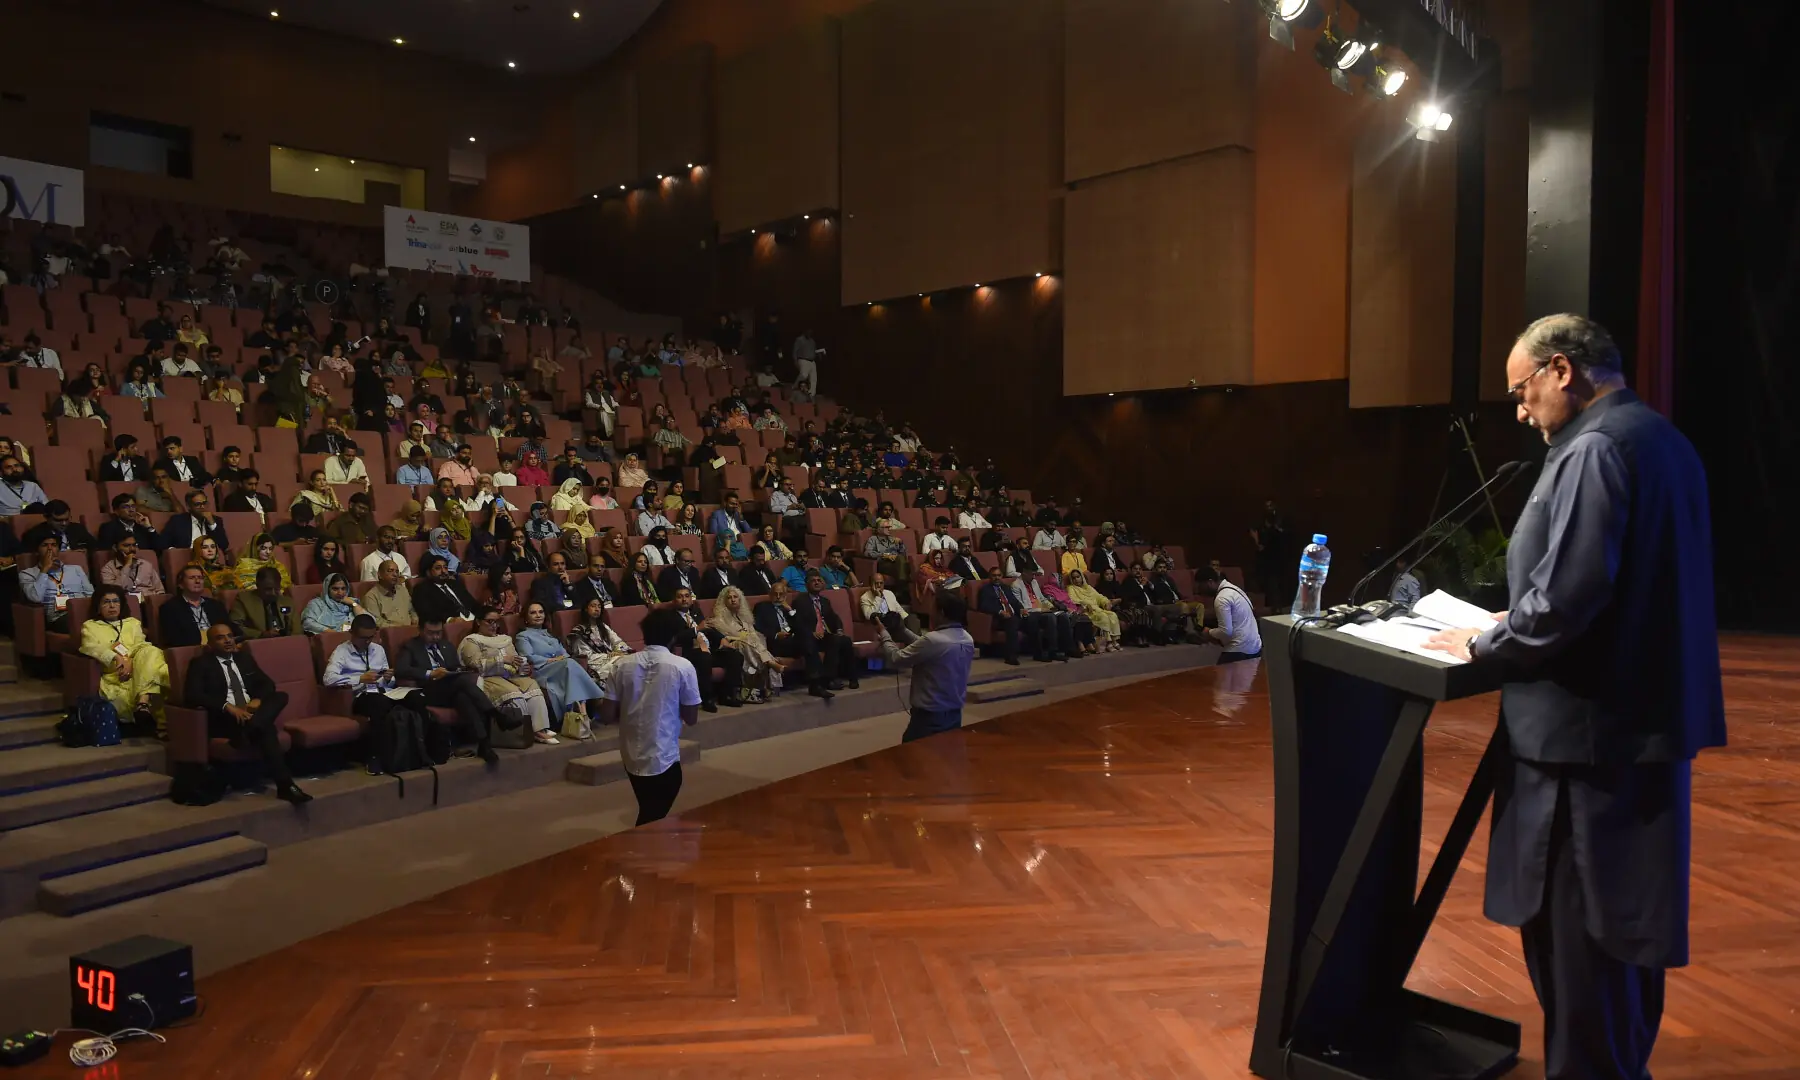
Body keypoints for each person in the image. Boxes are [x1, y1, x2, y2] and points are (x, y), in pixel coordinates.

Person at [1423, 314, 1726, 1080]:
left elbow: (1567, 603)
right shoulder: (1662, 441)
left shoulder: (1591, 450)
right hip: (1636, 732)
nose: (1521, 412)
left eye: (1522, 392)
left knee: (1580, 949)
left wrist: (1485, 641)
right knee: (1624, 941)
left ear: (1562, 371)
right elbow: (1619, 586)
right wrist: (1513, 611)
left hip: (1582, 749)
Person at [187, 624, 311, 804]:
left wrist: (258, 700)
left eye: (230, 636)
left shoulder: (244, 658)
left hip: (251, 713)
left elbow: (267, 684)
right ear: (210, 644)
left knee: (280, 696)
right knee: (267, 730)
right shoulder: (201, 664)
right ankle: (285, 785)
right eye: (221, 638)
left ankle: (250, 730)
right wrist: (228, 706)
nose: (228, 640)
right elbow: (192, 695)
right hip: (226, 718)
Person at [603, 607, 701, 825]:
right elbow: (692, 717)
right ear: (673, 637)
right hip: (662, 752)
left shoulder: (621, 665)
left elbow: (607, 714)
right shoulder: (682, 666)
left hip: (630, 752)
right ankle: (643, 851)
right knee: (652, 815)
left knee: (648, 806)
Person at [395, 615, 504, 765]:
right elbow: (401, 669)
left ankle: (484, 744)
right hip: (427, 691)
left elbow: (455, 667)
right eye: (430, 633)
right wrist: (430, 673)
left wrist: (457, 671)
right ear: (420, 630)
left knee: (463, 697)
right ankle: (493, 713)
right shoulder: (410, 646)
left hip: (451, 689)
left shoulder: (446, 646)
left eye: (438, 632)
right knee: (461, 684)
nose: (435, 637)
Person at [878, 590, 976, 742]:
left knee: (914, 757)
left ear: (942, 613)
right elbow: (927, 646)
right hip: (954, 713)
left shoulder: (934, 640)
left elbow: (896, 658)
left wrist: (883, 634)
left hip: (929, 717)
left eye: (932, 608)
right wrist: (902, 631)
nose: (930, 613)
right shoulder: (967, 638)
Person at [460, 607, 558, 745]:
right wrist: (502, 660)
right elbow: (474, 665)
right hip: (488, 677)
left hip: (510, 676)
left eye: (497, 622)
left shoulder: (505, 639)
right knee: (514, 694)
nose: (494, 625)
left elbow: (515, 659)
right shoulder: (472, 641)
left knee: (532, 687)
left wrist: (520, 667)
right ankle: (522, 732)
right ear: (478, 622)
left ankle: (539, 729)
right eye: (489, 621)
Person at [79, 585, 170, 731]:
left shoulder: (132, 623)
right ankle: (151, 714)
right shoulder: (90, 626)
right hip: (115, 674)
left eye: (116, 601)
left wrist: (129, 661)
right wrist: (116, 657)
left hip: (140, 667)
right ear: (98, 606)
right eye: (106, 602)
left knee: (150, 650)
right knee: (156, 679)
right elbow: (90, 647)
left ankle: (143, 701)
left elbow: (140, 645)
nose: (112, 605)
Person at [516, 602, 605, 735]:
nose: (538, 615)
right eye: (533, 612)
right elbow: (529, 657)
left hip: (562, 669)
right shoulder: (523, 636)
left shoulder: (550, 635)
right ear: (526, 617)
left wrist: (560, 659)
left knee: (570, 663)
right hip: (542, 671)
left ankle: (582, 710)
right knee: (569, 664)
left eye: (541, 612)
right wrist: (551, 660)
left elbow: (564, 654)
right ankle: (588, 708)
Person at [792, 570, 859, 698]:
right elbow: (797, 622)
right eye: (813, 581)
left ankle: (850, 677)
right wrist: (811, 632)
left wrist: (839, 629)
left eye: (819, 580)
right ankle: (823, 681)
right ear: (806, 585)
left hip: (824, 635)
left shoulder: (824, 601)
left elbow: (834, 618)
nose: (817, 583)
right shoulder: (800, 601)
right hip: (809, 636)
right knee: (812, 641)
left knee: (843, 640)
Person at [711, 585, 778, 703]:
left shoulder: (745, 619)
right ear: (724, 601)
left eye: (735, 597)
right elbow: (723, 638)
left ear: (740, 599)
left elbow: (753, 635)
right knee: (747, 643)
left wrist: (749, 638)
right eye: (729, 597)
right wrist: (744, 638)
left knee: (759, 638)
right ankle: (770, 662)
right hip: (732, 647)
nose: (733, 599)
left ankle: (756, 687)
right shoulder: (718, 620)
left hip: (751, 648)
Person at [18, 536, 92, 630]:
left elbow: (90, 594)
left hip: (82, 612)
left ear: (58, 549)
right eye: (44, 545)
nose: (50, 548)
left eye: (54, 545)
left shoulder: (76, 569)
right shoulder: (27, 574)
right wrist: (44, 570)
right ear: (37, 551)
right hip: (58, 617)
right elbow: (36, 598)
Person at [975, 565, 1040, 666]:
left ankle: (1037, 653)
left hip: (1013, 615)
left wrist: (1021, 609)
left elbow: (1014, 601)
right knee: (1012, 621)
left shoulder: (1005, 587)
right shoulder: (985, 589)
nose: (997, 578)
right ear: (990, 577)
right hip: (998, 618)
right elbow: (984, 605)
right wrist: (1000, 612)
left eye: (999, 575)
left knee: (1032, 620)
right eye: (994, 575)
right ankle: (1011, 656)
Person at [158, 565, 233, 646]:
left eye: (200, 578)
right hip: (192, 650)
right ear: (181, 585)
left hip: (222, 646)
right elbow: (174, 639)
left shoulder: (216, 605)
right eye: (192, 578)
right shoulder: (169, 608)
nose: (197, 581)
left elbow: (230, 629)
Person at [1200, 566, 1261, 662]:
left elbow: (1226, 632)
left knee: (1219, 675)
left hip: (1239, 650)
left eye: (1201, 587)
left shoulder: (1221, 598)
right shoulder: (1236, 590)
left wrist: (1209, 632)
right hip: (1255, 648)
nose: (1200, 592)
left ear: (1210, 582)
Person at [1065, 570, 1122, 652]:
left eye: (1078, 577)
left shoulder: (1088, 587)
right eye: (1073, 578)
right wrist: (1085, 604)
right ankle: (1108, 642)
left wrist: (1106, 602)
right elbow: (1073, 600)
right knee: (1103, 617)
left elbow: (1099, 597)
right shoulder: (1071, 588)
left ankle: (1114, 640)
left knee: (1112, 615)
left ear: (1082, 577)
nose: (1076, 579)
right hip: (1087, 612)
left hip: (1097, 609)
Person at [413, 554, 480, 623]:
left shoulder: (455, 584)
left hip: (475, 620)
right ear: (428, 572)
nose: (443, 571)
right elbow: (426, 612)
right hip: (453, 624)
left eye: (445, 567)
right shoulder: (422, 589)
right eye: (438, 568)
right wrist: (449, 619)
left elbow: (473, 604)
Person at [859, 571, 922, 637]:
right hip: (884, 624)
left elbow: (899, 609)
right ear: (870, 584)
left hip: (895, 621)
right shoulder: (865, 598)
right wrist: (878, 597)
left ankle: (918, 642)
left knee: (912, 619)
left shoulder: (889, 593)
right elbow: (868, 616)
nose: (879, 586)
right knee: (897, 622)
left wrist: (907, 619)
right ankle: (918, 642)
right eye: (876, 583)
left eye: (881, 583)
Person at [99, 534, 164, 596]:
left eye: (134, 545)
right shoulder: (108, 569)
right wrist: (127, 566)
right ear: (115, 548)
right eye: (126, 546)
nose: (132, 549)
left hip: (148, 601)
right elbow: (114, 593)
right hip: (126, 604)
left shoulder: (145, 564)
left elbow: (160, 591)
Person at [362, 560, 417, 627]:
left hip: (412, 630)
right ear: (379, 575)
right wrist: (401, 629)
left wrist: (415, 620)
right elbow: (377, 622)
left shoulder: (403, 590)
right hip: (391, 634)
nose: (395, 574)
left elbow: (412, 610)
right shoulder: (371, 597)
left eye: (397, 571)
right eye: (390, 571)